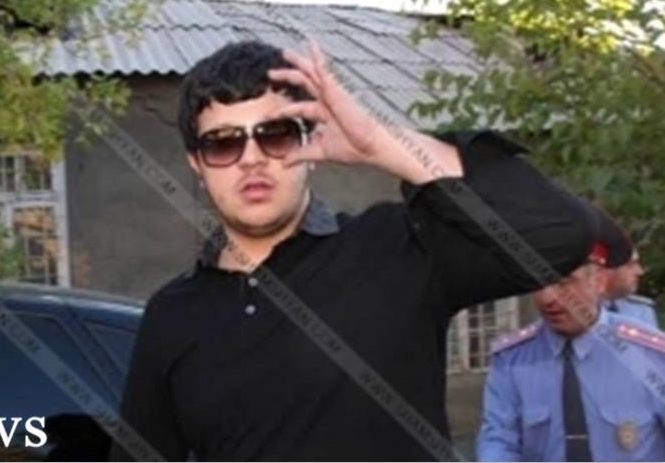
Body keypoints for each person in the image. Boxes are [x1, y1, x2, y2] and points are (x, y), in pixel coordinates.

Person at [111, 40, 595, 461]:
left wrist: (380, 143)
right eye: (223, 144)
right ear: (197, 164)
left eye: (275, 134)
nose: (252, 159)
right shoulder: (172, 316)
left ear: (310, 142)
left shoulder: (398, 248)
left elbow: (561, 236)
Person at [476, 241, 665, 461]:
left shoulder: (651, 355)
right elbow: (499, 442)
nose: (548, 298)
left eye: (564, 283)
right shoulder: (511, 359)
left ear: (599, 281)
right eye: (538, 284)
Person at [593, 207, 658, 328]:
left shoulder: (642, 311)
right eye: (630, 265)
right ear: (605, 269)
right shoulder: (569, 311)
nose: (640, 272)